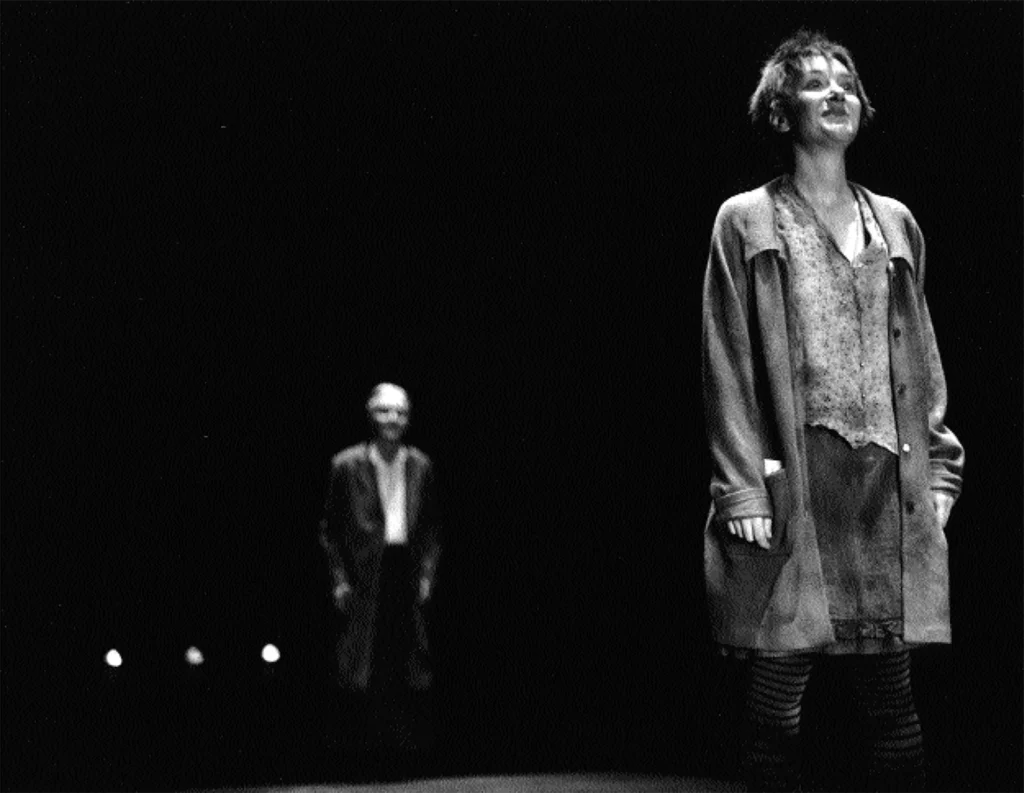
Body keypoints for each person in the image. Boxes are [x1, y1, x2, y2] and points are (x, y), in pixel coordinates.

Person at [700, 30, 964, 793]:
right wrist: (742, 486)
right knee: (778, 701)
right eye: (815, 84)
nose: (837, 91)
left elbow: (922, 352)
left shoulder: (894, 221)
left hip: (884, 480)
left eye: (845, 79)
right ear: (784, 112)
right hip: (799, 480)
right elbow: (727, 361)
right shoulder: (747, 219)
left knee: (895, 704)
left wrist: (940, 470)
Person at [318, 383, 441, 773]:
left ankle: (405, 757)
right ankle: (360, 757)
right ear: (371, 414)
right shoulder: (346, 464)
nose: (394, 419)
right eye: (386, 411)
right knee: (361, 662)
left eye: (401, 412)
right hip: (364, 571)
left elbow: (432, 528)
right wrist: (339, 578)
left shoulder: (420, 464)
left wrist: (425, 574)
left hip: (404, 567)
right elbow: (329, 529)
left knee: (406, 660)